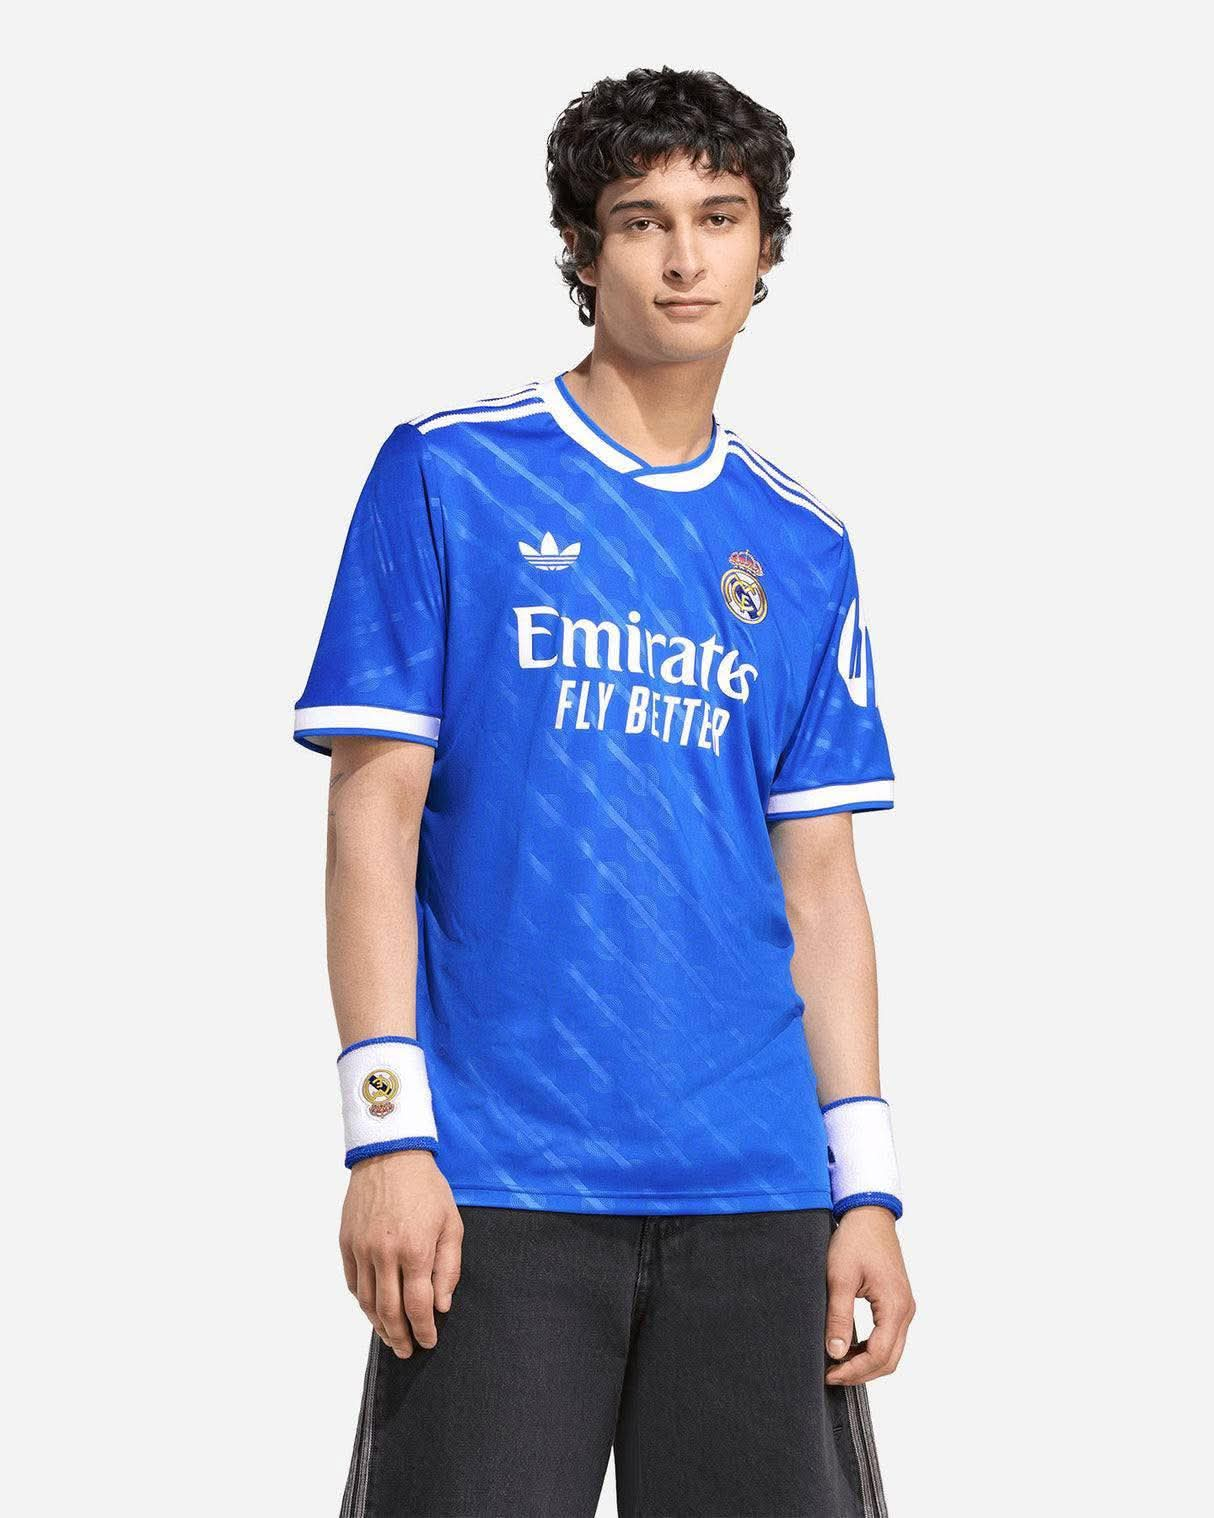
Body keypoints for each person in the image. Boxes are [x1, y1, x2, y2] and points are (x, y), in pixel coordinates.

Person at [293, 65, 915, 1518]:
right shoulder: (451, 475)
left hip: (759, 1189)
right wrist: (385, 1132)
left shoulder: (802, 545)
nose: (684, 256)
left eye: (720, 216)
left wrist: (869, 1187)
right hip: (501, 1181)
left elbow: (822, 890)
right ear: (583, 248)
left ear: (766, 247)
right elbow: (372, 822)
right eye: (642, 220)